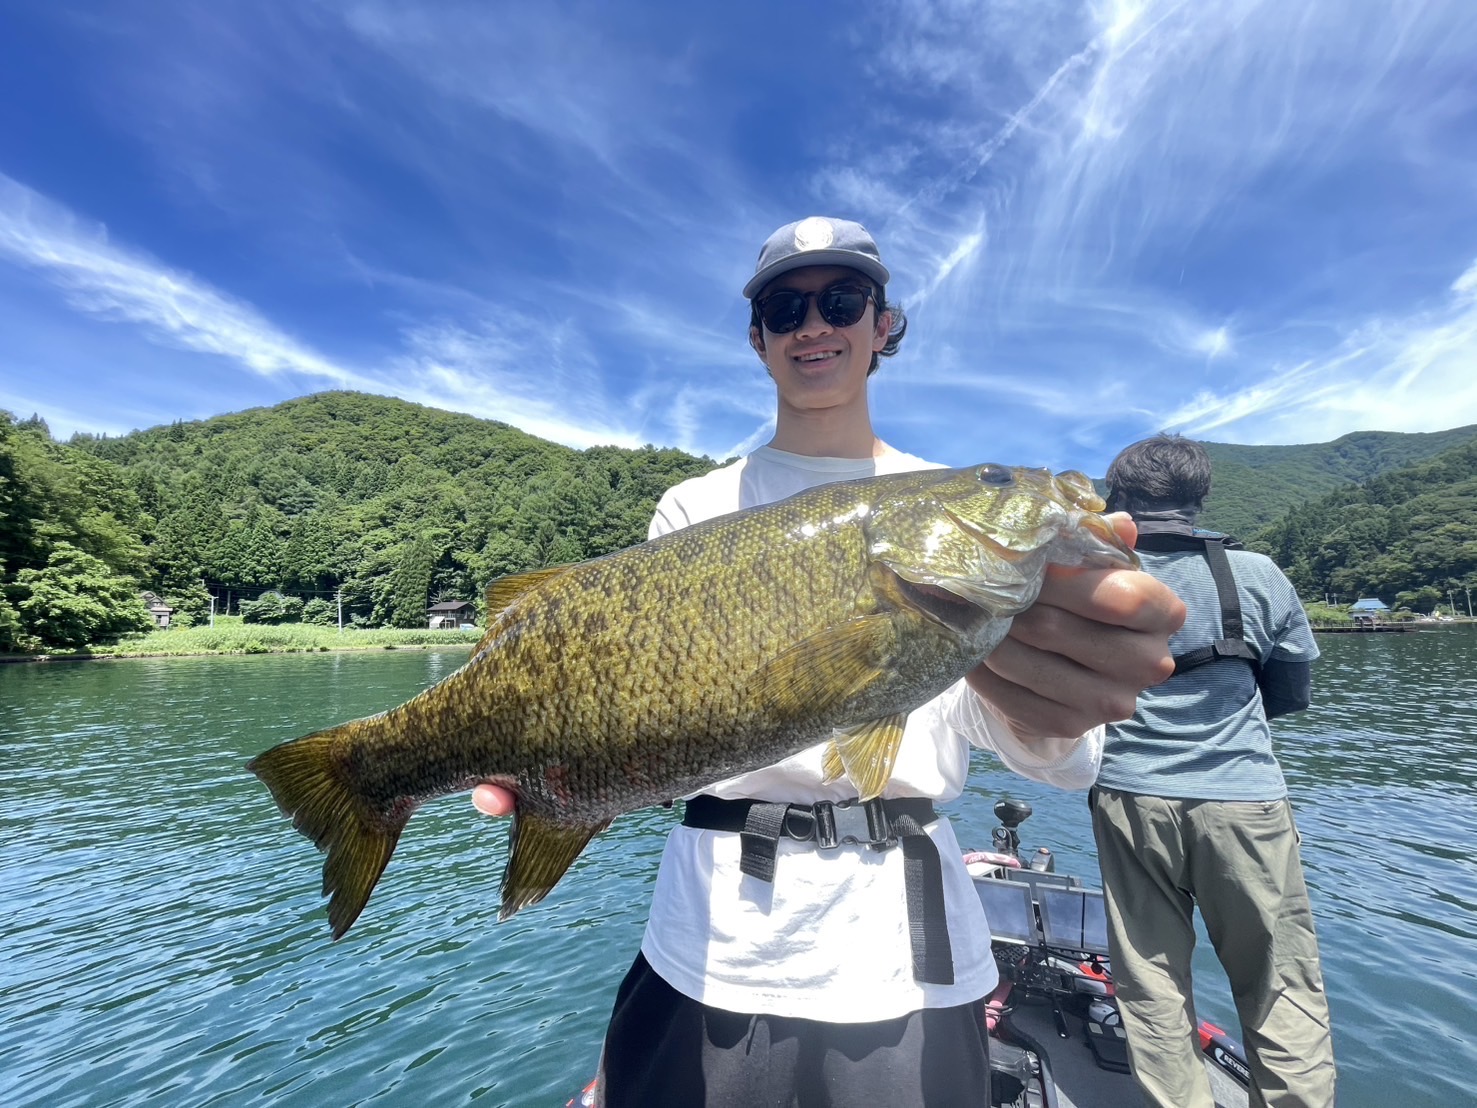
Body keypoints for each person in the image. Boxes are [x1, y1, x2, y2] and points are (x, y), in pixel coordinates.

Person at [473, 217, 1185, 1107]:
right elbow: (665, 711)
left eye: (841, 301)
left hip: (907, 955)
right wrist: (586, 781)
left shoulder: (952, 507)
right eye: (784, 306)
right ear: (758, 336)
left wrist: (1059, 704)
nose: (814, 325)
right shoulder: (694, 507)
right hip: (712, 941)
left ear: (883, 323)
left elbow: (1043, 748)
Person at [1091, 433, 1336, 1108]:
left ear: (1118, 497)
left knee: (1151, 982)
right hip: (1245, 799)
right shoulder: (1258, 575)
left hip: (1129, 796)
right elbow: (1291, 694)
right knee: (1278, 983)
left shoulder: (1090, 577)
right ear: (1199, 499)